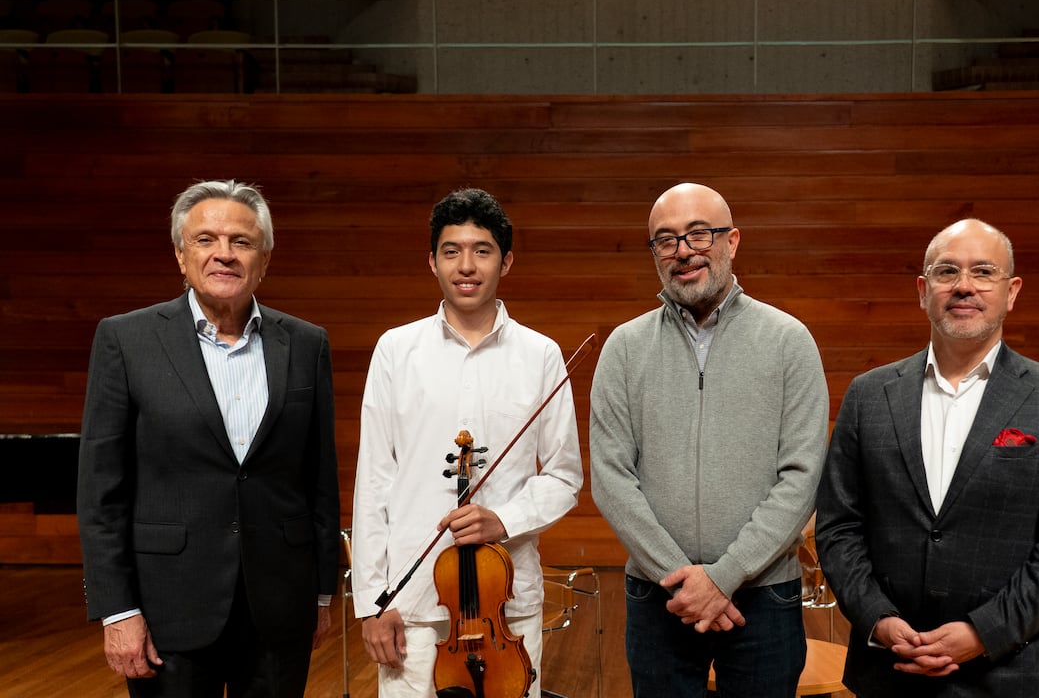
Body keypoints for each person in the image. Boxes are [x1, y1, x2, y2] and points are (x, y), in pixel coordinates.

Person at [815, 218, 1039, 698]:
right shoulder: (868, 396)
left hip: (1012, 672)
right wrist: (879, 619)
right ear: (922, 290)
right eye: (947, 272)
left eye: (983, 272)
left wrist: (982, 633)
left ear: (1011, 292)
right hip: (891, 670)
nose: (964, 286)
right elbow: (839, 525)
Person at [76, 179, 340, 697]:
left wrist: (322, 594)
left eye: (241, 242)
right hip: (166, 608)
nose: (224, 254)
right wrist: (117, 610)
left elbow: (319, 478)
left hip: (279, 607)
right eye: (205, 240)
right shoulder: (126, 340)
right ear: (180, 254)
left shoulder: (307, 343)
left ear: (264, 257)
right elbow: (100, 493)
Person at [589, 182, 830, 698]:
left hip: (763, 598)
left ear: (732, 241)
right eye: (666, 239)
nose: (683, 251)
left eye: (699, 234)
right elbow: (611, 479)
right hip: (659, 598)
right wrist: (682, 578)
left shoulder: (789, 342)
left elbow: (803, 477)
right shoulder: (624, 349)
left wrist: (724, 577)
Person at [351, 187, 582, 698]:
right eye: (451, 251)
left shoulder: (541, 354)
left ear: (507, 261)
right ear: (431, 262)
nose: (466, 265)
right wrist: (371, 602)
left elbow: (565, 476)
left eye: (482, 250)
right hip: (409, 604)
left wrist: (506, 519)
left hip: (506, 606)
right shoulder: (395, 350)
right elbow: (374, 482)